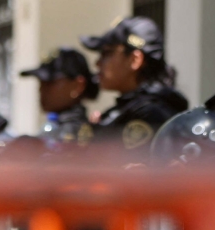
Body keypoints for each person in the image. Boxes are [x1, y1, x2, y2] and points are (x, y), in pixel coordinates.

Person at [80, 16, 188, 152]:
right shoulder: (125, 111)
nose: (97, 63)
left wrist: (97, 139)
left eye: (107, 53)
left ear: (135, 60)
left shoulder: (151, 114)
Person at [20, 47, 98, 148]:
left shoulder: (74, 134)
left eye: (50, 83)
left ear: (77, 86)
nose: (41, 89)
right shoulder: (55, 125)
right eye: (41, 83)